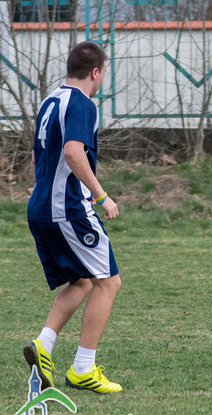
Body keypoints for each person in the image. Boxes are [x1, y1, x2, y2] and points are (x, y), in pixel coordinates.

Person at [24, 41, 123, 393]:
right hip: (68, 209)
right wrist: (101, 195)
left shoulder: (50, 101)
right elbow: (72, 152)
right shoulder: (82, 103)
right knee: (108, 282)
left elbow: (37, 157)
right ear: (95, 72)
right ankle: (83, 368)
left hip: (40, 207)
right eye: (103, 74)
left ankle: (43, 345)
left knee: (82, 281)